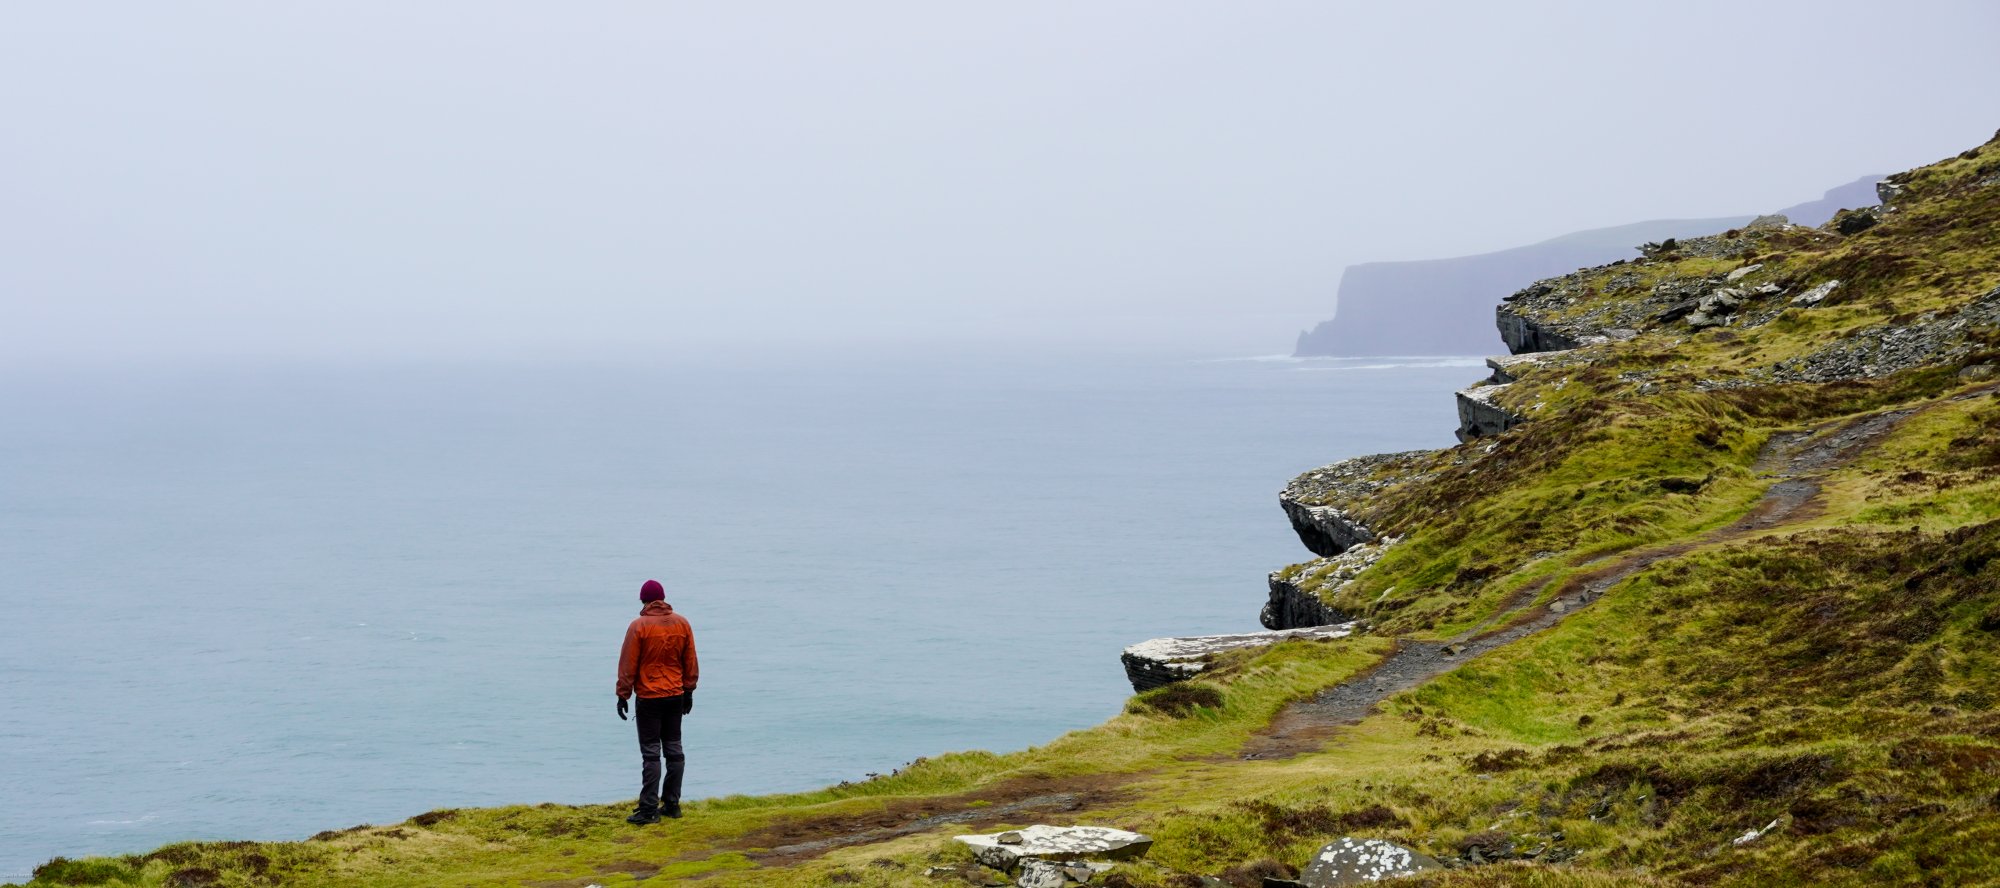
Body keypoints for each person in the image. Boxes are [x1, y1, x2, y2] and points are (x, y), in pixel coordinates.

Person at [616, 578, 698, 824]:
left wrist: (623, 694)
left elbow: (628, 664)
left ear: (644, 600)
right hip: (675, 695)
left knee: (651, 753)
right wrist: (689, 690)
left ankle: (649, 810)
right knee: (674, 749)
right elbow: (690, 659)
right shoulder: (682, 623)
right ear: (662, 599)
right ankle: (672, 804)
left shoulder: (638, 626)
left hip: (650, 698)